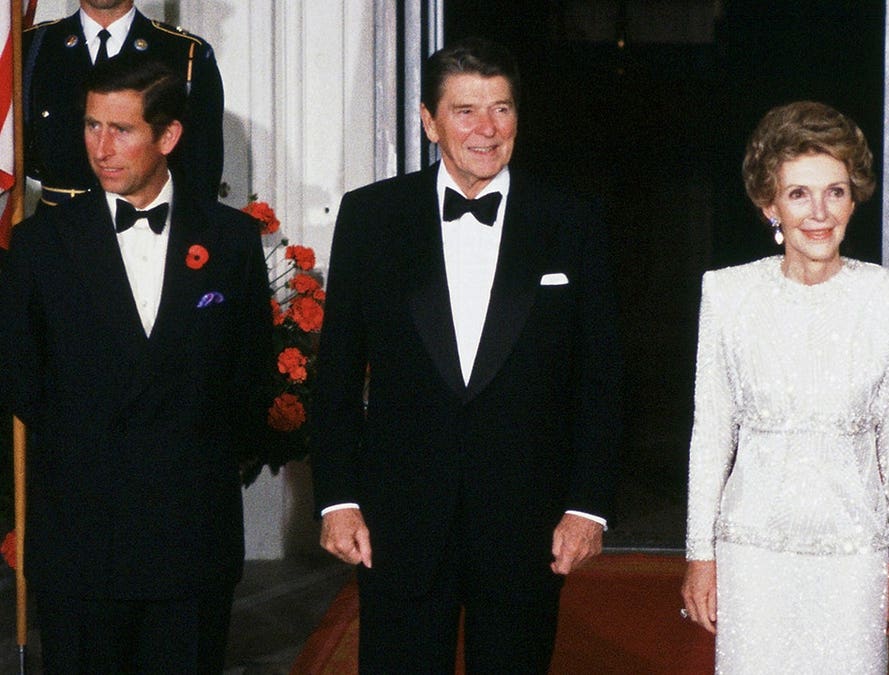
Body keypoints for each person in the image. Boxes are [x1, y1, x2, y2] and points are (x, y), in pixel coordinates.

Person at [310, 37, 622, 672]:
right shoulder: (372, 216)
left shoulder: (571, 220)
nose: (488, 129)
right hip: (398, 518)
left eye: (502, 109)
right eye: (466, 111)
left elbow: (602, 377)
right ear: (429, 121)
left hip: (527, 518)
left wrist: (587, 505)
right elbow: (337, 372)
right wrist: (337, 498)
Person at [0, 58, 272, 673]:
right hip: (81, 544)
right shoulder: (42, 243)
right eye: (92, 126)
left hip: (191, 541)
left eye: (121, 130)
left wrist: (193, 456)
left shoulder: (231, 240)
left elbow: (250, 376)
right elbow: (21, 377)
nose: (100, 148)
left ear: (169, 136)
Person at [680, 101, 889, 673]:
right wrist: (699, 555)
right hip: (752, 553)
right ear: (770, 205)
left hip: (854, 555)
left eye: (835, 192)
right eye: (798, 194)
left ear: (854, 197)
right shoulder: (727, 295)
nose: (819, 213)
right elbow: (711, 431)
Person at [24, 0, 225, 206]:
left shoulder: (184, 52)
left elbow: (202, 173)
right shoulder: (33, 46)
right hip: (58, 229)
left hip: (151, 230)